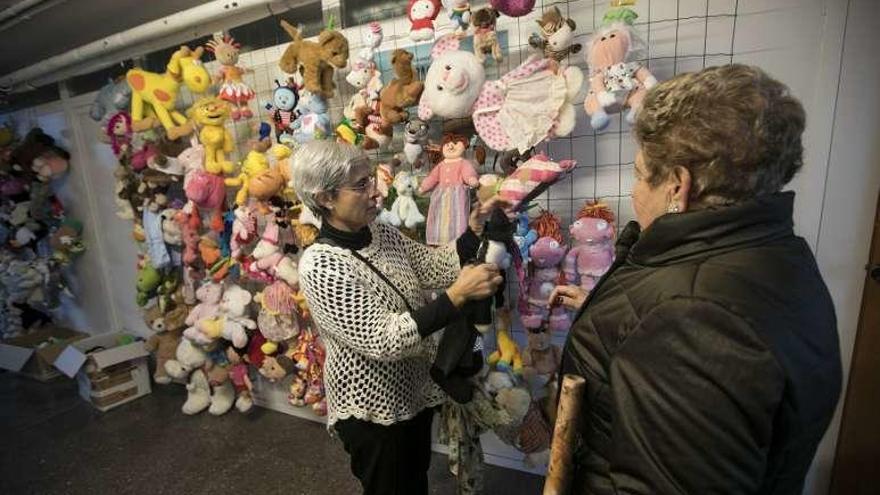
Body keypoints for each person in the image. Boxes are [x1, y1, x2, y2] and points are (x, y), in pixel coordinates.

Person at [550, 64, 842, 494]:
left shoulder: (691, 321)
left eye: (637, 173)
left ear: (677, 185)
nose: (633, 192)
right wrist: (612, 319)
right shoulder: (774, 257)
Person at [291, 141, 504, 495]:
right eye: (361, 185)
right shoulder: (321, 265)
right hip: (371, 411)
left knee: (413, 478)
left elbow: (432, 266)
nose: (376, 192)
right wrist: (457, 296)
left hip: (412, 392)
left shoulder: (381, 232)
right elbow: (384, 339)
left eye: (371, 178)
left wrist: (473, 233)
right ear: (325, 198)